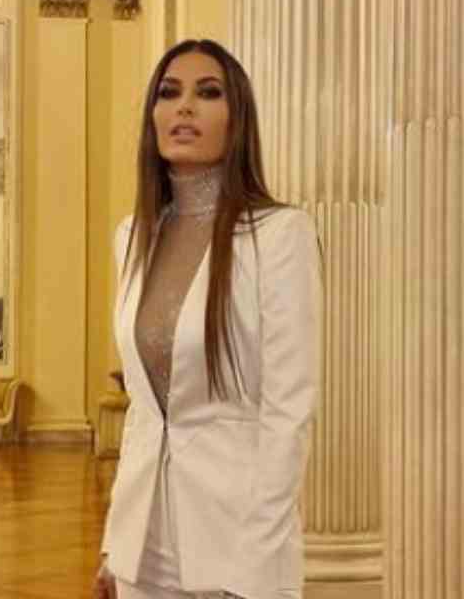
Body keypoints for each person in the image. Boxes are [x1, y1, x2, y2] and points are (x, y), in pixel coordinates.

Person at [93, 39, 322, 599]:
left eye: (208, 93)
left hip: (236, 538)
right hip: (143, 546)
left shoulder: (279, 235)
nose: (185, 107)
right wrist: (114, 544)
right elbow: (145, 410)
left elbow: (288, 414)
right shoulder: (131, 236)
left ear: (236, 118)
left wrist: (254, 564)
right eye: (169, 93)